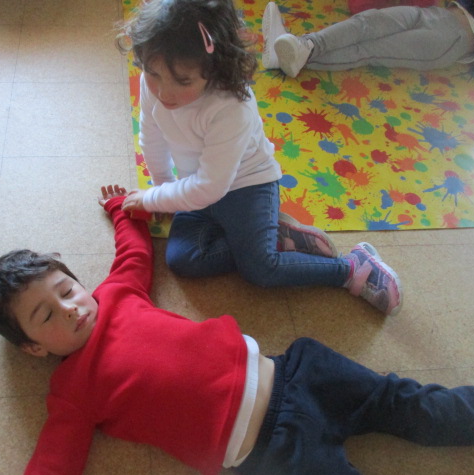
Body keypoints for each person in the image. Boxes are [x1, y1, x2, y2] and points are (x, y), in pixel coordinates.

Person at [0, 185, 474, 475]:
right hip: (271, 453)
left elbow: (132, 254)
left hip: (298, 371)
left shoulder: (114, 294)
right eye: (46, 316)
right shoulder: (72, 391)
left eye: (67, 290)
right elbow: (54, 462)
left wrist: (123, 211)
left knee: (402, 399)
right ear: (33, 348)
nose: (69, 309)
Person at [116, 0, 403, 316]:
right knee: (183, 260)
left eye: (183, 81)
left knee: (260, 269)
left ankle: (351, 268)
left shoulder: (230, 105)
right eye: (153, 74)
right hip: (197, 188)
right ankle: (275, 237)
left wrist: (154, 198)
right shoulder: (155, 78)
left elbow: (210, 186)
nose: (163, 92)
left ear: (215, 68)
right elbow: (151, 138)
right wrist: (162, 187)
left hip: (247, 187)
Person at [261, 0, 474, 78]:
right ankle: (305, 44)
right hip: (435, 12)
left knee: (370, 49)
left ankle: (286, 57)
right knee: (368, 21)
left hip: (453, 39)